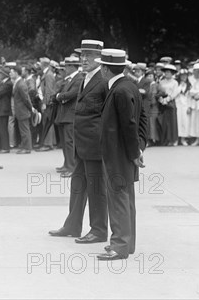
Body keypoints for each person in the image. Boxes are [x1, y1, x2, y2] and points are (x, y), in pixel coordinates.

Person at [49, 39, 108, 244]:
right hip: (82, 145)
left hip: (95, 145)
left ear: (100, 57)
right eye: (82, 55)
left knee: (96, 188)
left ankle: (99, 230)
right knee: (77, 186)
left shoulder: (103, 80)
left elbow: (107, 115)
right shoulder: (86, 78)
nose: (83, 59)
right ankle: (72, 225)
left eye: (88, 55)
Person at [95, 49, 147, 261]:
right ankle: (126, 242)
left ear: (106, 69)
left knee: (118, 199)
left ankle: (120, 245)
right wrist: (139, 148)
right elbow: (143, 119)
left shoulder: (118, 91)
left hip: (118, 154)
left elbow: (129, 124)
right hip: (125, 153)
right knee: (125, 199)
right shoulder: (129, 86)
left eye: (101, 67)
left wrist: (135, 151)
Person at [54, 56, 85, 177]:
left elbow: (70, 94)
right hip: (65, 115)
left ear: (72, 67)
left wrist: (58, 96)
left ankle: (72, 167)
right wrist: (60, 96)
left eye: (66, 66)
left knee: (69, 142)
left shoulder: (78, 79)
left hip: (71, 115)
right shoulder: (71, 79)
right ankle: (67, 164)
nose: (65, 69)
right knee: (65, 142)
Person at [10, 66, 33, 154]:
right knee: (23, 129)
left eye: (12, 72)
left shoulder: (20, 84)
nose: (10, 74)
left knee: (25, 130)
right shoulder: (18, 83)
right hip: (20, 110)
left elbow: (26, 99)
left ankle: (27, 148)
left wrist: (30, 108)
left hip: (23, 110)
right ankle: (25, 146)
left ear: (16, 73)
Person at [157, 64, 179, 146]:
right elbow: (158, 92)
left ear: (172, 73)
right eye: (165, 72)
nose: (166, 73)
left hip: (171, 102)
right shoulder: (161, 82)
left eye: (168, 72)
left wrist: (167, 100)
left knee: (172, 121)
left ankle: (173, 139)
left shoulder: (175, 82)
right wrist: (161, 99)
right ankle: (166, 139)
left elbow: (174, 93)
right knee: (164, 121)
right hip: (162, 102)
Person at [175, 69, 192, 146]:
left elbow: (190, 97)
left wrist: (189, 107)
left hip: (185, 105)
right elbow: (174, 94)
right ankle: (176, 139)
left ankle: (183, 139)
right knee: (178, 122)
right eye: (182, 76)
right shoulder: (177, 84)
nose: (184, 77)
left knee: (185, 122)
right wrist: (180, 87)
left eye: (185, 76)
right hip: (178, 105)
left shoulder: (189, 85)